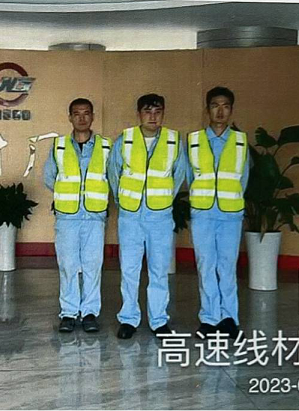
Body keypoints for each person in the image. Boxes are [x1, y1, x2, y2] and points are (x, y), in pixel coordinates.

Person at [107, 94, 186, 340]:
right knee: (129, 269)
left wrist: (163, 200)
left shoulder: (173, 140)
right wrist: (123, 200)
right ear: (138, 114)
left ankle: (159, 320)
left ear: (163, 113)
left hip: (160, 216)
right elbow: (114, 172)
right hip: (130, 215)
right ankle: (128, 319)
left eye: (157, 111)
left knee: (159, 269)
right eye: (147, 111)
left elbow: (179, 174)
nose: (153, 116)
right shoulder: (125, 139)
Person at [186, 86, 250, 340]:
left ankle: (229, 318)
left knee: (227, 266)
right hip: (202, 213)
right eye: (215, 106)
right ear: (207, 109)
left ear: (231, 110)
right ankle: (209, 318)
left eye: (225, 106)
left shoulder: (241, 141)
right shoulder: (194, 141)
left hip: (230, 214)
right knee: (205, 265)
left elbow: (243, 178)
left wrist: (230, 200)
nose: (220, 111)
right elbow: (189, 177)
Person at [43, 98, 112, 333]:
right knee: (68, 265)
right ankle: (69, 313)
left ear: (93, 116)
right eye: (76, 113)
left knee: (93, 265)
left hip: (94, 215)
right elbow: (49, 177)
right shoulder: (59, 146)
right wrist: (68, 195)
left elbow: (113, 177)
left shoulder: (106, 146)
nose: (82, 118)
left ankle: (90, 313)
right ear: (70, 117)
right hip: (68, 217)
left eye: (86, 113)